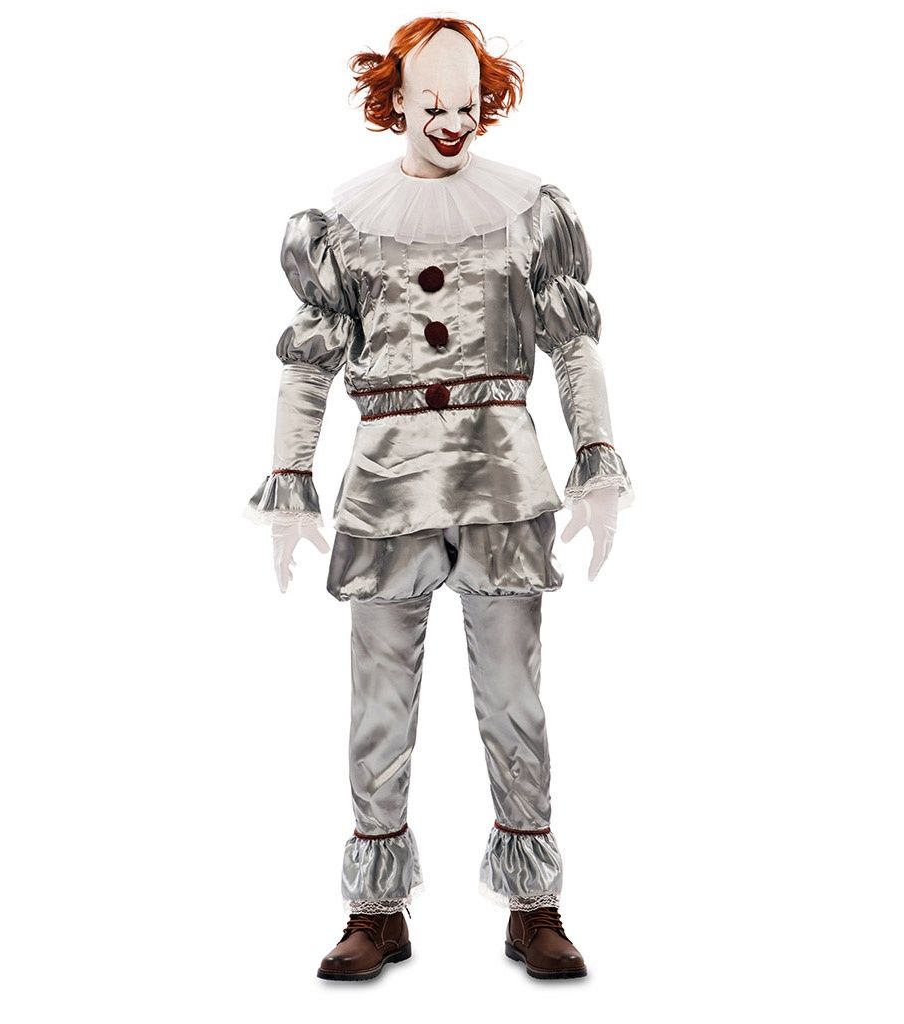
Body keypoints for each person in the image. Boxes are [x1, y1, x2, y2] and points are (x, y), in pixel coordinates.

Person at [247, 16, 633, 982]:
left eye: (469, 104)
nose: (455, 121)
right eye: (435, 104)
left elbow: (573, 346)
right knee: (379, 700)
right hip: (387, 489)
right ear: (398, 103)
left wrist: (597, 461)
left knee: (514, 697)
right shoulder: (348, 227)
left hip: (500, 481)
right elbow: (308, 363)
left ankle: (533, 906)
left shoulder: (526, 214)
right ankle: (375, 911)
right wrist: (290, 483)